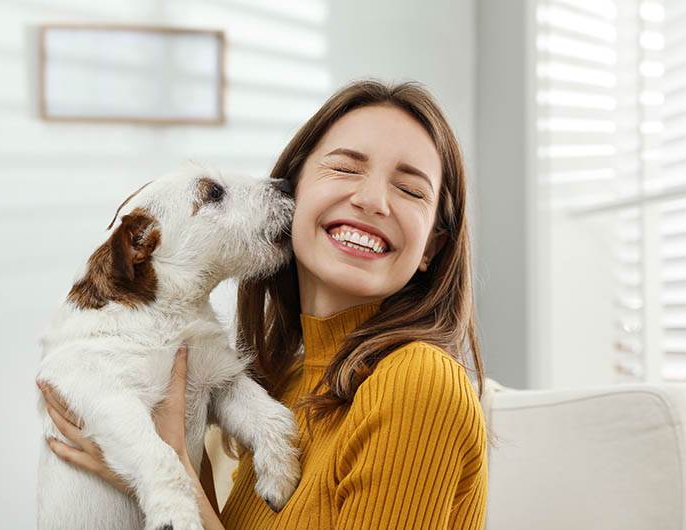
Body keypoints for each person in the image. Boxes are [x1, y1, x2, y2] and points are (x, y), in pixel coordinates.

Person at [38, 79, 489, 529]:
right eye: (347, 169)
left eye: (411, 190)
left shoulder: (418, 383)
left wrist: (170, 466)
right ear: (293, 189)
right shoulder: (287, 381)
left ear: (432, 246)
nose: (371, 200)